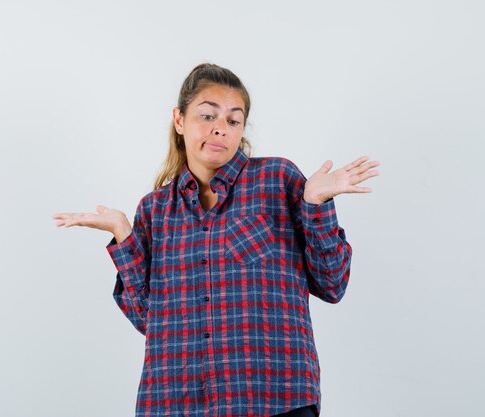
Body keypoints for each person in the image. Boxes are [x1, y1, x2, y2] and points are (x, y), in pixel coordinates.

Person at [53, 63, 380, 417]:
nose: (220, 129)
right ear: (179, 120)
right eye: (207, 116)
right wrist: (122, 234)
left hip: (274, 398)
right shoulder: (155, 210)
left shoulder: (277, 180)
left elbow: (332, 284)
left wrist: (315, 204)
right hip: (176, 401)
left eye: (233, 120)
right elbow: (150, 320)